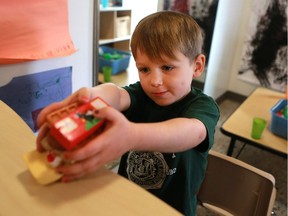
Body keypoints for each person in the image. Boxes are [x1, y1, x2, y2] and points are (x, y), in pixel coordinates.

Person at [36, 11, 220, 216]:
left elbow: (191, 132)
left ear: (197, 66)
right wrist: (91, 96)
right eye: (144, 69)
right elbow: (116, 94)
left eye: (167, 67)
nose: (154, 81)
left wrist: (131, 136)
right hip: (125, 202)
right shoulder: (141, 95)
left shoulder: (203, 106)